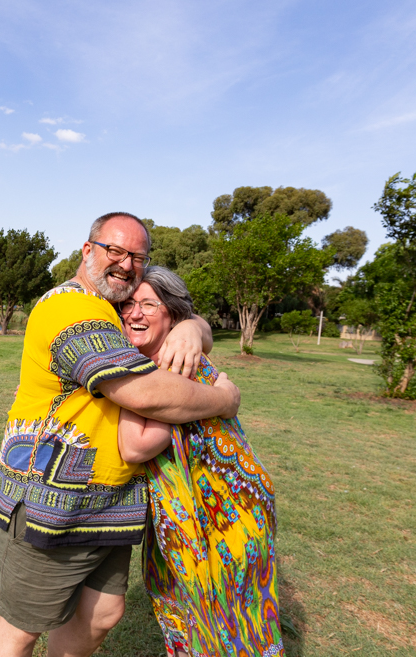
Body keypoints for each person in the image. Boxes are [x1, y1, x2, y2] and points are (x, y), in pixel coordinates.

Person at [0, 213, 242, 657]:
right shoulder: (72, 307)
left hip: (110, 500)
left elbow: (171, 317)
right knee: (20, 629)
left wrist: (191, 327)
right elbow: (144, 392)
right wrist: (225, 399)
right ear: (88, 250)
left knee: (102, 614)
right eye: (114, 251)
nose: (125, 264)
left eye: (137, 256)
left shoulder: (109, 308)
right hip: (53, 504)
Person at [117, 266, 283, 657]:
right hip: (208, 514)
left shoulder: (172, 364)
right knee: (219, 628)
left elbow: (137, 446)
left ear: (172, 315)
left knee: (227, 631)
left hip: (225, 518)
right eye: (128, 303)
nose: (134, 313)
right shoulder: (164, 354)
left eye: (148, 304)